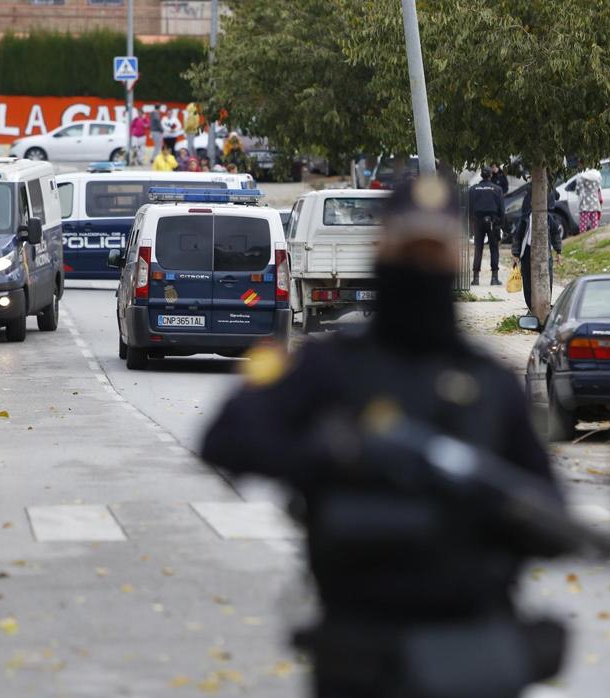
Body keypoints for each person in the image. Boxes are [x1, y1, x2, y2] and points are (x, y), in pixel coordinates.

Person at [202, 174, 567, 697]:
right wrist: (330, 457)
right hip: (360, 643)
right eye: (409, 249)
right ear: (382, 250)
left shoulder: (489, 384)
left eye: (434, 252)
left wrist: (497, 511)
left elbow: (550, 510)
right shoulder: (331, 367)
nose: (421, 267)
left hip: (468, 642)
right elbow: (226, 437)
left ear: (455, 259)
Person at [511, 187, 563, 311]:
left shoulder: (548, 218)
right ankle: (531, 307)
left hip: (545, 252)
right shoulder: (525, 219)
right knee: (527, 280)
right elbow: (518, 236)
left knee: (547, 278)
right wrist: (516, 254)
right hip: (527, 252)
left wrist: (558, 251)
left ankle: (545, 305)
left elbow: (555, 234)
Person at [468, 168, 505, 286]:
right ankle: (494, 278)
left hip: (478, 221)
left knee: (478, 249)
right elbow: (502, 209)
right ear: (490, 175)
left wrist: (470, 223)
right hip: (493, 221)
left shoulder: (473, 189)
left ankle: (475, 278)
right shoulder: (497, 189)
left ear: (481, 175)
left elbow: (469, 208)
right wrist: (501, 224)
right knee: (494, 249)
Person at [574, 163, 602, 234]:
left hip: (585, 203)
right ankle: (595, 237)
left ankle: (582, 237)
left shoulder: (581, 176)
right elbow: (599, 188)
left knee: (583, 225)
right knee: (594, 224)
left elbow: (578, 190)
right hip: (595, 202)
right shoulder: (597, 175)